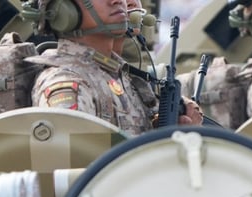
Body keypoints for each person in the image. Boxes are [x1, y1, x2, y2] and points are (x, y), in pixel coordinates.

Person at [26, 0, 201, 135]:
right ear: (65, 10)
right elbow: (76, 169)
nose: (119, 0)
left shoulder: (120, 76)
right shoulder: (68, 84)